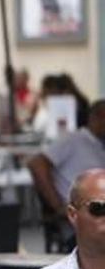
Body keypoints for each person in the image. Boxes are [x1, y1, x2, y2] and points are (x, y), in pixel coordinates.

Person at [28, 100, 105, 244]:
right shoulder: (74, 139)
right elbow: (37, 164)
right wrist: (57, 205)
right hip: (86, 217)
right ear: (97, 118)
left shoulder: (99, 145)